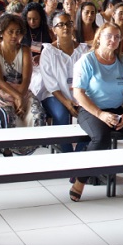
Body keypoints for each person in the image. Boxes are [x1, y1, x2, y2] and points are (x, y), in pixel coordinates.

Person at [70, 22, 123, 200]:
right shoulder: (87, 60)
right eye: (108, 36)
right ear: (99, 37)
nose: (113, 40)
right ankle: (80, 180)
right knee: (101, 138)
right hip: (91, 110)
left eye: (116, 37)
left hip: (118, 110)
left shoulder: (122, 62)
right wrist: (100, 114)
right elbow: (78, 93)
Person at [0, 14, 46, 146]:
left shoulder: (25, 50)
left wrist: (22, 96)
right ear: (1, 32)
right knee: (7, 117)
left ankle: (28, 150)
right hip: (1, 93)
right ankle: (6, 150)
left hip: (23, 90)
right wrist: (18, 97)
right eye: (10, 32)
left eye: (18, 32)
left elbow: (26, 78)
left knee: (38, 114)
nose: (15, 36)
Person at [36, 12, 87, 153]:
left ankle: (80, 156)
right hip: (55, 95)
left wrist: (81, 100)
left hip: (80, 94)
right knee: (62, 115)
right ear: (54, 30)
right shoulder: (48, 52)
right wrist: (66, 102)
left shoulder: (84, 50)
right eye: (61, 24)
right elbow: (51, 84)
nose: (65, 27)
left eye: (69, 23)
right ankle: (68, 156)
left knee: (91, 116)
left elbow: (88, 78)